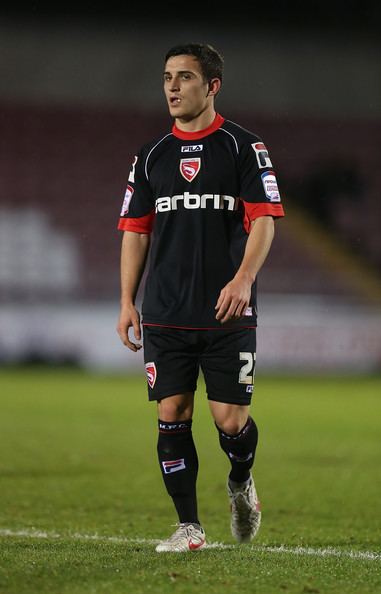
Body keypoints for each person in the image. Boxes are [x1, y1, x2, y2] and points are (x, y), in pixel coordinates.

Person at [117, 43, 285, 552]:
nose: (171, 86)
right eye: (167, 76)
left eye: (185, 77)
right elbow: (136, 231)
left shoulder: (243, 147)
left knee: (230, 421)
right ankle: (189, 526)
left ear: (212, 86)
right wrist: (127, 299)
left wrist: (243, 279)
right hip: (166, 309)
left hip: (226, 308)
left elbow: (264, 222)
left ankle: (240, 483)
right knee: (172, 412)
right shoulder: (151, 157)